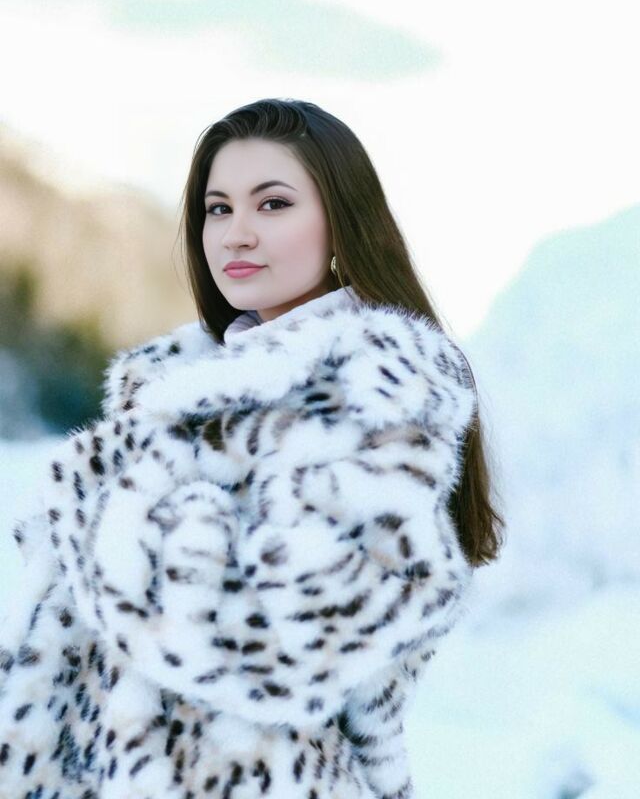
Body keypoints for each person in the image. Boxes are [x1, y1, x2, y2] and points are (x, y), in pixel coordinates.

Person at [0, 98, 505, 798]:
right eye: (218, 209)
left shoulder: (379, 389)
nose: (236, 234)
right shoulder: (178, 387)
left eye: (273, 205)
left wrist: (102, 511)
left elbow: (284, 646)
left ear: (342, 222)